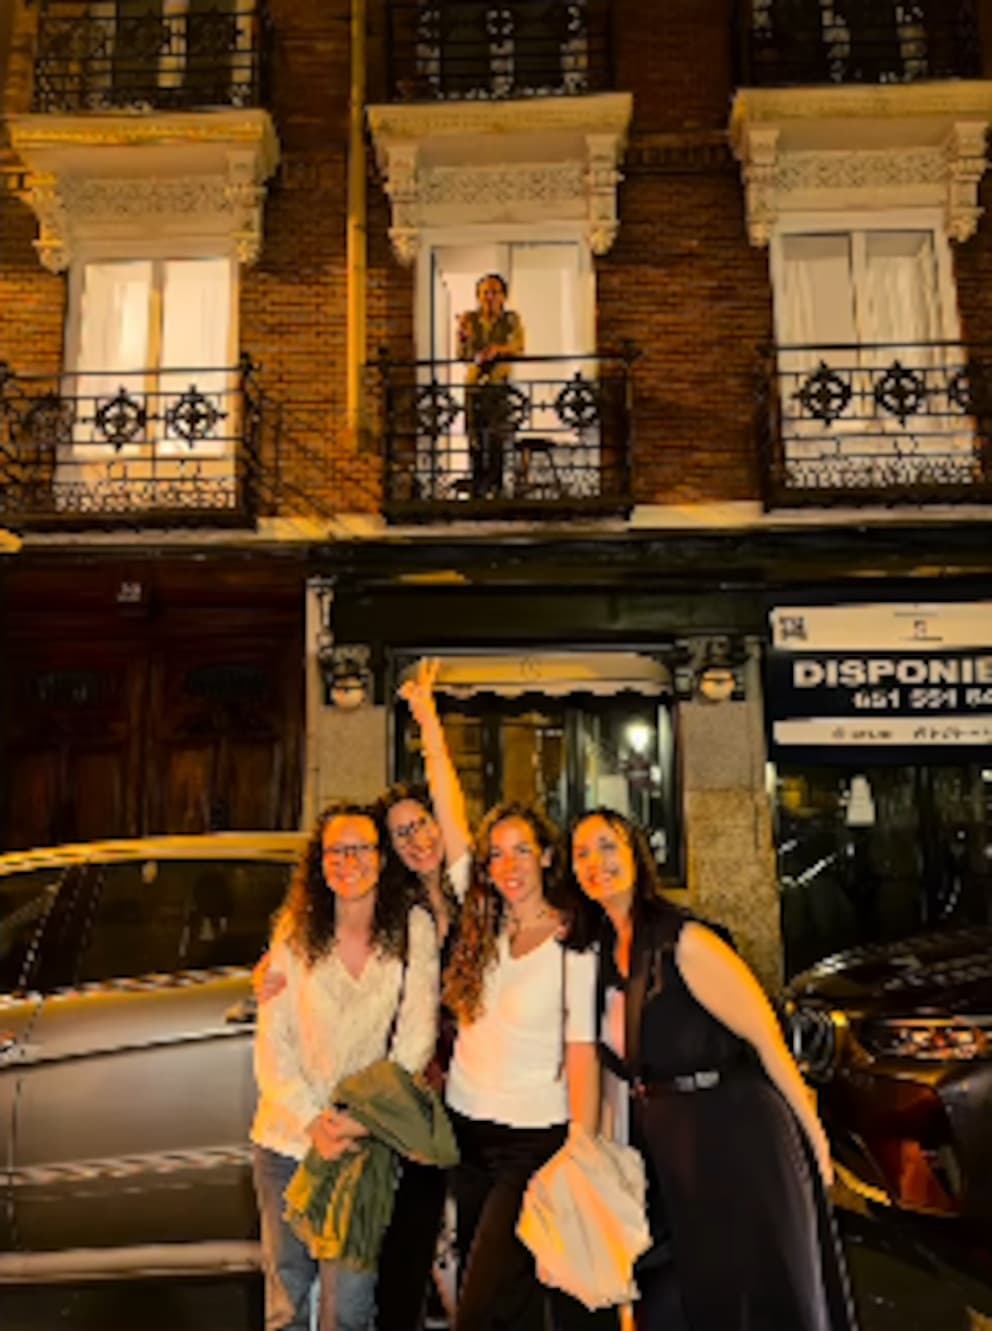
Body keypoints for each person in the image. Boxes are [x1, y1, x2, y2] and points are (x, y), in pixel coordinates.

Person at [567, 808, 860, 1331]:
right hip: (671, 1151)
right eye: (582, 853)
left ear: (636, 853)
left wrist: (814, 1135)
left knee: (756, 1293)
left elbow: (766, 1038)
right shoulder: (603, 954)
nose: (596, 862)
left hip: (737, 1134)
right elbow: (616, 1074)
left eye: (608, 846)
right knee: (686, 1298)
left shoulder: (684, 940)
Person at [251, 800, 439, 1331]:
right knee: (288, 1298)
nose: (347, 861)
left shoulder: (412, 928)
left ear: (382, 859)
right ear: (319, 861)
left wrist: (361, 1120)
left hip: (364, 1142)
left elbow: (416, 1038)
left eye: (361, 848)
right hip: (288, 1139)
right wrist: (313, 1121)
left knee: (350, 1305)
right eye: (335, 850)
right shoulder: (295, 930)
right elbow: (272, 1041)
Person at [443, 800, 616, 1331]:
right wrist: (430, 744)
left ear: (545, 857)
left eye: (522, 850)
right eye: (496, 854)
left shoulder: (573, 943)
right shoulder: (483, 927)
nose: (509, 865)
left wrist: (581, 1146)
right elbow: (451, 826)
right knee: (507, 1305)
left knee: (479, 1310)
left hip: (532, 1145)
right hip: (465, 1131)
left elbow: (582, 1049)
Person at [375, 658, 473, 1331]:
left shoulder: (470, 888)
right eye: (402, 832)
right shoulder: (397, 911)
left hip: (480, 1068)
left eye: (423, 822)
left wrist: (428, 722)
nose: (418, 837)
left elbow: (448, 792)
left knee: (471, 1217)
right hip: (421, 1077)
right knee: (422, 1218)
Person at [456, 273, 525, 498]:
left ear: (503, 297)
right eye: (485, 292)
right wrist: (463, 336)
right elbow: (462, 355)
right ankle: (478, 485)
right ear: (478, 296)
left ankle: (496, 486)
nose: (489, 297)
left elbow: (519, 346)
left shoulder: (511, 320)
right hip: (474, 385)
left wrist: (498, 350)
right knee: (474, 435)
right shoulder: (470, 319)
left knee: (497, 436)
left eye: (494, 292)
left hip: (498, 384)